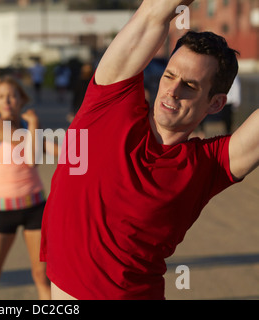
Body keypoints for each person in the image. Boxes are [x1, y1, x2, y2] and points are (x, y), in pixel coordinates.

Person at [40, 0, 259, 300]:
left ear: (216, 103)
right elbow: (154, 11)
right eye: (169, 76)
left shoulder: (209, 164)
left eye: (190, 86)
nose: (172, 90)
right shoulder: (109, 102)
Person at [0, 75, 58, 300]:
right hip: (2, 212)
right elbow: (31, 157)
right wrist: (36, 125)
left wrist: (86, 152)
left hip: (35, 209)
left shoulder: (29, 129)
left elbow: (56, 150)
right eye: (1, 97)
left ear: (21, 99)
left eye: (11, 95)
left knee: (42, 277)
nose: (6, 100)